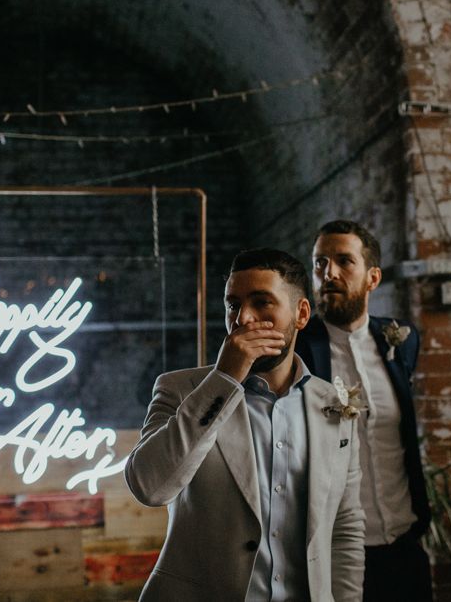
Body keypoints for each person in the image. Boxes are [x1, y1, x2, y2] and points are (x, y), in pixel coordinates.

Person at [126, 248, 365, 601]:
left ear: (300, 314)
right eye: (233, 305)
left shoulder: (333, 403)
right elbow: (149, 487)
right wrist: (224, 379)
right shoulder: (179, 389)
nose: (243, 319)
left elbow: (345, 527)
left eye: (262, 302)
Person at [295, 220, 432, 602]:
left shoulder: (401, 340)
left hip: (405, 546)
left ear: (373, 278)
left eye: (343, 261)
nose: (329, 274)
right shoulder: (298, 352)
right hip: (335, 554)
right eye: (320, 263)